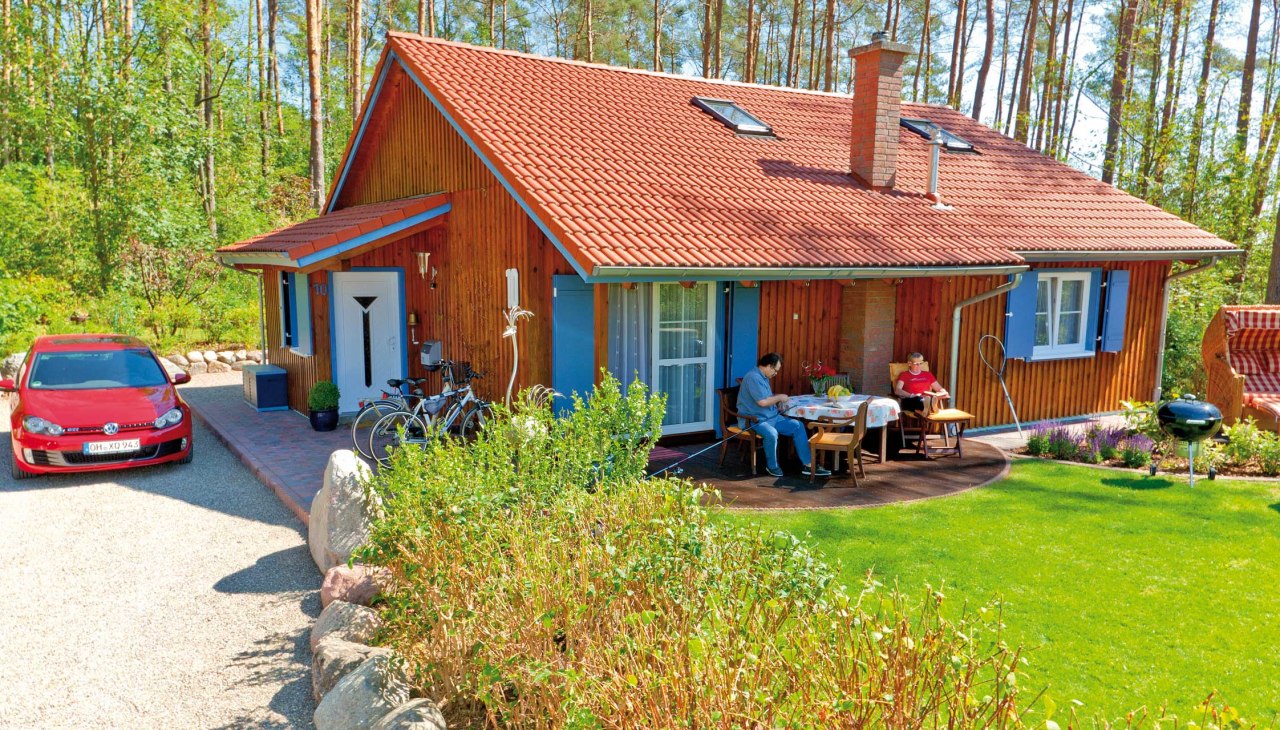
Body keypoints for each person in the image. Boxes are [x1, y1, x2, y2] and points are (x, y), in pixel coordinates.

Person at [736, 353, 831, 478]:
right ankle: (772, 466)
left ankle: (808, 465)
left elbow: (767, 398)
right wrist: (780, 397)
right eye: (775, 371)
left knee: (798, 426)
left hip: (771, 417)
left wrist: (777, 402)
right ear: (769, 366)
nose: (775, 374)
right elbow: (762, 402)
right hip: (754, 419)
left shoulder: (763, 377)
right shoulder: (753, 377)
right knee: (771, 433)